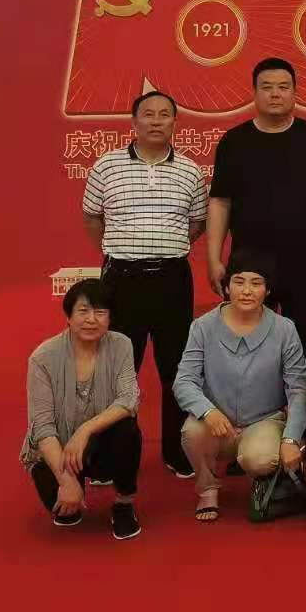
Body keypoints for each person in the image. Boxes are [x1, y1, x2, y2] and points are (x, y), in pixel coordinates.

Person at [82, 89, 206, 478]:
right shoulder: (107, 165)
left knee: (176, 368)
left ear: (175, 122)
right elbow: (92, 217)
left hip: (172, 279)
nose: (156, 121)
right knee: (118, 369)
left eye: (164, 114)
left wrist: (164, 247)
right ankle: (110, 456)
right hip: (122, 280)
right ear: (133, 122)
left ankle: (176, 451)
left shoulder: (190, 170)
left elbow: (197, 222)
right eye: (148, 114)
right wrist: (119, 251)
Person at [206, 57, 306, 350]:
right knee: (249, 344)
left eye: (283, 87)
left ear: (294, 92)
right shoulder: (234, 141)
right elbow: (220, 202)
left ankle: (304, 383)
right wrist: (214, 258)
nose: (275, 94)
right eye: (267, 87)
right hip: (249, 263)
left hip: (304, 261)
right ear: (254, 92)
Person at [174, 250, 306, 522]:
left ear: (267, 290)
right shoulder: (202, 327)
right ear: (226, 287)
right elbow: (184, 381)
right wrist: (207, 411)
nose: (247, 291)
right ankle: (207, 488)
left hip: (264, 420)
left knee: (259, 459)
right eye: (239, 282)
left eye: (256, 283)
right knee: (192, 432)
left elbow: (298, 389)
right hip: (217, 422)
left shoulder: (284, 329)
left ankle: (265, 475)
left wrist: (291, 438)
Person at [20, 279, 143, 540]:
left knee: (127, 428)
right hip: (60, 447)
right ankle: (73, 486)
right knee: (64, 511)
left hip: (102, 441)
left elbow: (129, 399)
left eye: (100, 312)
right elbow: (42, 428)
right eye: (83, 311)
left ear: (110, 318)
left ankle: (123, 503)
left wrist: (85, 430)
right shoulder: (42, 358)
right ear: (68, 316)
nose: (91, 320)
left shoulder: (121, 345)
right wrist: (66, 481)